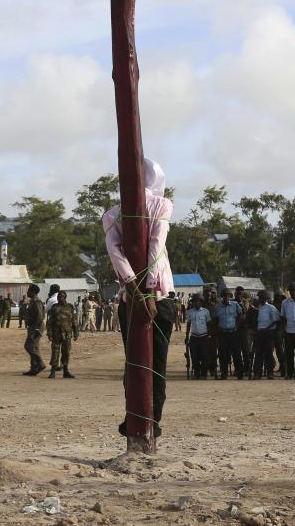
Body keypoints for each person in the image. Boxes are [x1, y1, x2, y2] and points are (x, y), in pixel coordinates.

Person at [102, 157, 176, 438]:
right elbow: (156, 247)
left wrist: (133, 289)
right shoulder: (161, 205)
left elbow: (115, 253)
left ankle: (133, 415)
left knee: (133, 361)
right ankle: (152, 420)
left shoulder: (112, 214)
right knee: (156, 363)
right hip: (158, 296)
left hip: (130, 298)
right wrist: (148, 292)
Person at [213, 288, 245, 379]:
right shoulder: (217, 307)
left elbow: (241, 315)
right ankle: (224, 374)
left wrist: (238, 326)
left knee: (237, 354)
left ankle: (239, 373)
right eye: (224, 295)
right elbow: (215, 319)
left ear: (231, 296)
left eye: (228, 295)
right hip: (222, 333)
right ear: (222, 297)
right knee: (223, 354)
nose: (226, 297)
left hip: (233, 333)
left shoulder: (235, 305)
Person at [46, 291, 79, 378]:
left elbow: (74, 320)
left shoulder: (70, 307)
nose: (59, 298)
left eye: (61, 297)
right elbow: (50, 321)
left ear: (65, 297)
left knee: (66, 352)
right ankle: (53, 371)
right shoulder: (54, 307)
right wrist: (49, 333)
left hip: (67, 334)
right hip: (56, 334)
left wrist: (76, 332)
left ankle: (66, 371)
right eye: (58, 297)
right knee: (55, 352)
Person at [252, 290, 280, 380]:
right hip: (259, 333)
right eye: (259, 297)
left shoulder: (271, 308)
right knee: (258, 354)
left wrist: (267, 328)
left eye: (261, 298)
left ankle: (270, 373)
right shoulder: (259, 308)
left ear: (266, 299)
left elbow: (276, 320)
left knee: (268, 354)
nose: (260, 299)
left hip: (268, 333)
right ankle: (257, 373)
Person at [186, 293, 212, 380]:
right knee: (194, 356)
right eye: (195, 301)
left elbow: (208, 324)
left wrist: (209, 335)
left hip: (204, 336)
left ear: (201, 302)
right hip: (194, 337)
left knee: (204, 356)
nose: (196, 303)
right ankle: (197, 373)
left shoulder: (206, 312)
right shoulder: (190, 312)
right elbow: (188, 324)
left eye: (198, 301)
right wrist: (186, 336)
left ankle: (204, 373)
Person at [22, 285, 47, 376]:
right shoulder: (32, 301)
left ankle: (40, 364)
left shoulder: (37, 302)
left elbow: (40, 316)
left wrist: (36, 329)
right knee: (34, 347)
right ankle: (33, 368)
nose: (27, 292)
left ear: (33, 292)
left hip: (36, 326)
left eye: (29, 291)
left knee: (28, 346)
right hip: (33, 326)